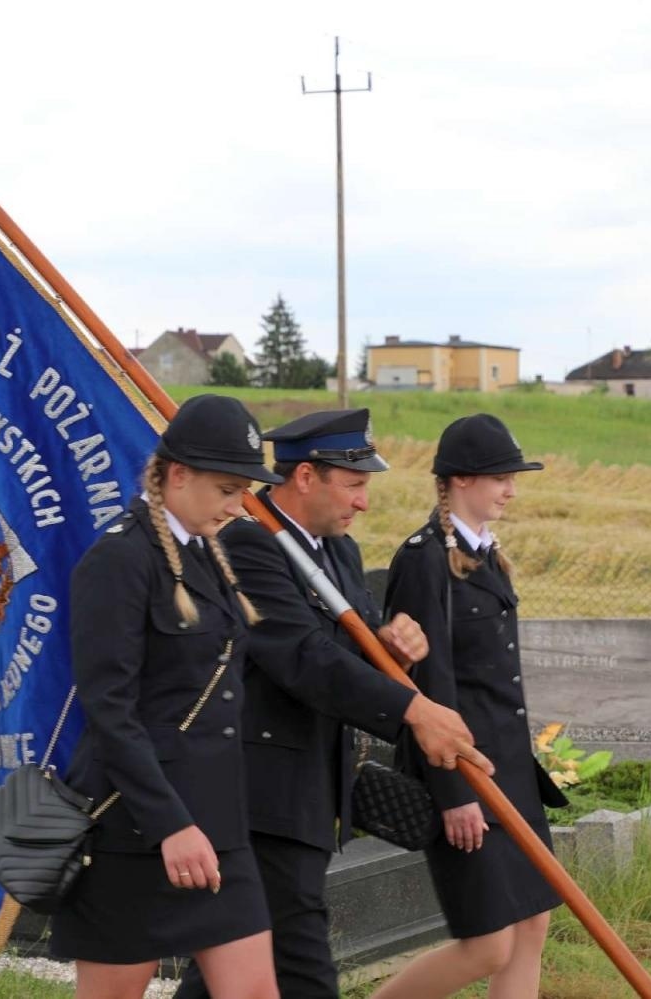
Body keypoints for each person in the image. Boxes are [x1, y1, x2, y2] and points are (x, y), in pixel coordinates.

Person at [174, 408, 489, 999]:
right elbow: (304, 658)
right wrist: (413, 710)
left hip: (313, 796)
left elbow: (352, 654)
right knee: (302, 968)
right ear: (304, 477)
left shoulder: (339, 553)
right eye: (353, 484)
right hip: (262, 797)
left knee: (229, 970)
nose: (363, 502)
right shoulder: (248, 545)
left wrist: (398, 650)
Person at [49, 395, 284, 999]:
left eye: (243, 491)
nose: (238, 506)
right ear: (178, 475)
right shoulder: (120, 559)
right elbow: (110, 711)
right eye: (227, 489)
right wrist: (170, 825)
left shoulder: (205, 552)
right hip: (134, 827)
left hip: (219, 824)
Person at [372, 414, 568, 999]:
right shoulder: (424, 559)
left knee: (532, 925)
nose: (511, 491)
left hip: (510, 770)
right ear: (460, 479)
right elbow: (427, 687)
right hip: (463, 772)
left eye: (513, 479)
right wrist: (454, 793)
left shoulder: (483, 553)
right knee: (488, 946)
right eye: (500, 478)